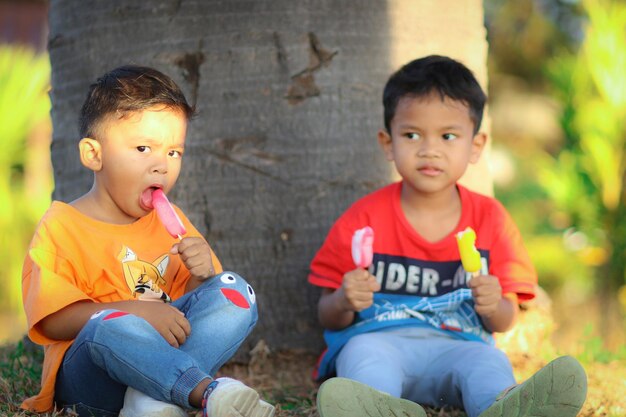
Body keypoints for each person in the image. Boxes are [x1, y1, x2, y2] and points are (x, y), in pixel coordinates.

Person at [308, 55, 587, 417]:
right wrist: (344, 299)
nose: (430, 149)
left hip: (461, 342)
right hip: (381, 339)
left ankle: (502, 408)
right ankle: (375, 409)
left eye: (448, 136)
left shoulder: (490, 219)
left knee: (487, 363)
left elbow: (504, 322)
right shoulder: (362, 219)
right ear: (388, 142)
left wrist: (495, 305)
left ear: (475, 145)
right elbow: (327, 316)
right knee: (363, 358)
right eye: (411, 135)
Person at [21, 65, 275, 417]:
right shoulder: (62, 226)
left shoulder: (173, 221)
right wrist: (136, 311)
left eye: (174, 152)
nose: (162, 165)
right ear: (94, 154)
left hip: (161, 360)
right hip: (92, 380)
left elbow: (195, 308)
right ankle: (203, 392)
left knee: (235, 292)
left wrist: (202, 275)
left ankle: (151, 402)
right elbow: (51, 320)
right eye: (143, 148)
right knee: (109, 325)